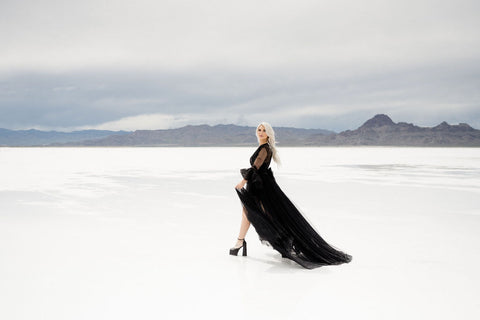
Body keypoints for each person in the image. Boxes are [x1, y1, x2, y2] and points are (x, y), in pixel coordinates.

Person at [229, 122, 352, 269]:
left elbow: (256, 166)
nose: (260, 132)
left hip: (262, 188)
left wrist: (243, 181)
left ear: (268, 134)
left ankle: (246, 242)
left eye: (264, 130)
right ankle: (243, 241)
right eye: (259, 130)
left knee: (259, 214)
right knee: (252, 213)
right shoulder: (264, 147)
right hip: (258, 185)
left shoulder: (265, 149)